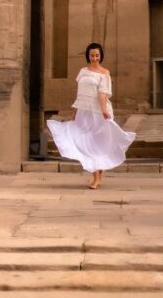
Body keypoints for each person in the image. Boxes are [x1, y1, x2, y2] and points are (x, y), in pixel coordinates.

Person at [47, 43, 135, 189]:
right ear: (88, 56)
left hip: (99, 111)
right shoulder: (83, 71)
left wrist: (104, 110)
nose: (94, 58)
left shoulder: (104, 73)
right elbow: (80, 93)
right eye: (92, 55)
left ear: (101, 56)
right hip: (84, 111)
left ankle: (97, 177)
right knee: (87, 143)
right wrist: (75, 110)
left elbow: (103, 93)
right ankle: (96, 176)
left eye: (97, 55)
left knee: (100, 144)